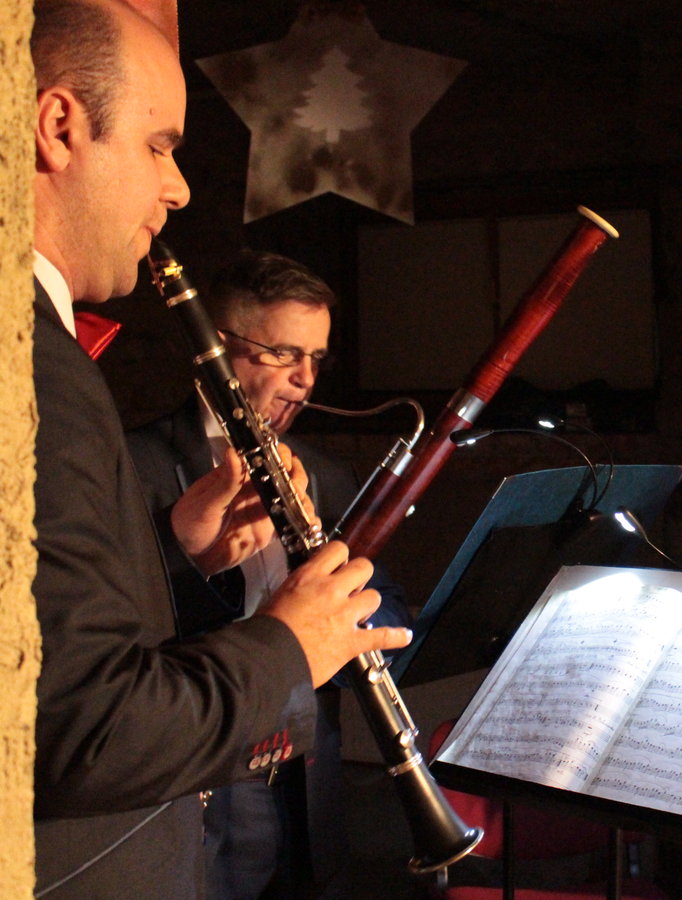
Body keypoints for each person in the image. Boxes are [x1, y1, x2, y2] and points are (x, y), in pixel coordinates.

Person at [29, 1, 410, 896]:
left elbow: (60, 638)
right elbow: (85, 728)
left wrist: (180, 551)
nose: (179, 188)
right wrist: (289, 642)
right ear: (59, 125)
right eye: (159, 146)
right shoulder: (40, 368)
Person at [125, 250, 412, 899]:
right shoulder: (133, 463)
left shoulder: (325, 473)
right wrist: (199, 561)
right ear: (220, 348)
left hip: (306, 773)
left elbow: (388, 602)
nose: (306, 379)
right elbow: (124, 629)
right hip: (202, 774)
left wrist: (355, 627)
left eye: (317, 358)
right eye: (285, 353)